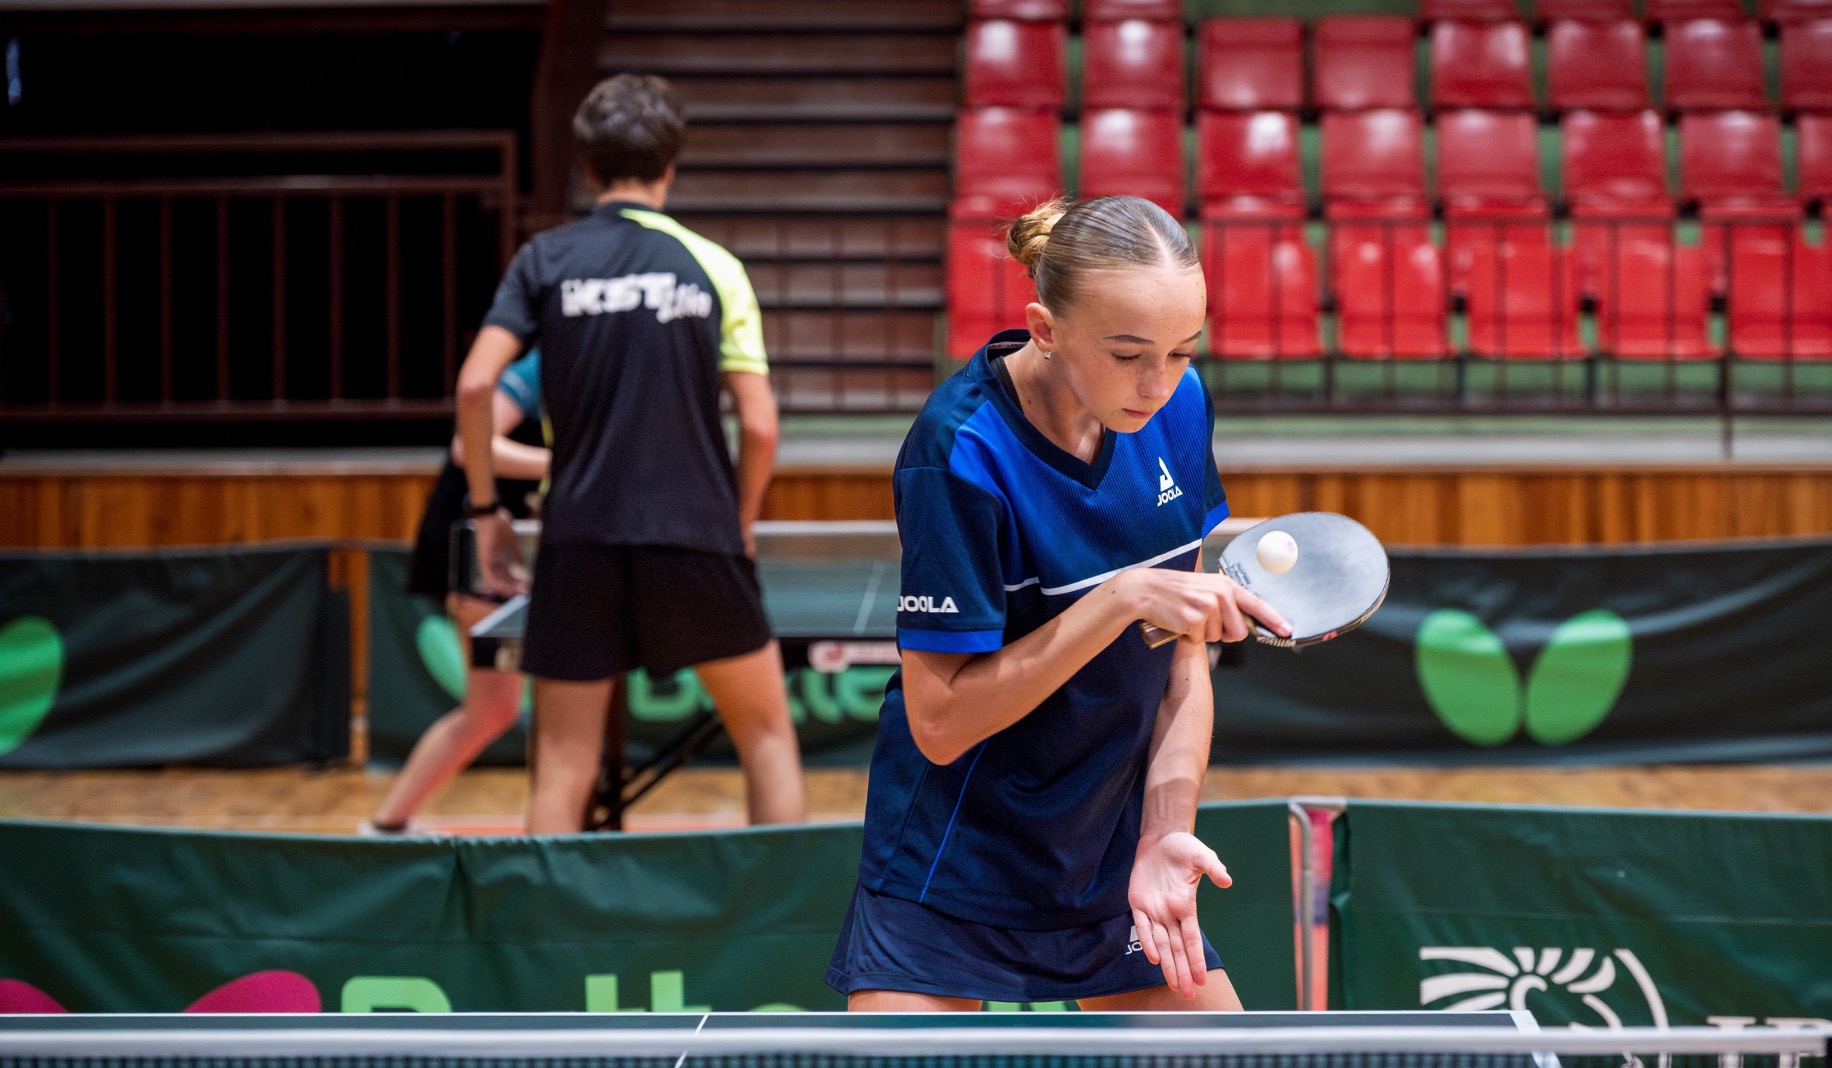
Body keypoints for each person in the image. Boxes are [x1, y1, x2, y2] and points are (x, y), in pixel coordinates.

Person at [828, 196, 1287, 1014]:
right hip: (953, 865)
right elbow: (939, 723)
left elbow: (1182, 660)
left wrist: (1164, 829)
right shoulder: (962, 450)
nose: (1158, 384)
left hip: (1110, 851)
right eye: (1128, 354)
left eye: (1182, 351)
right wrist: (1117, 600)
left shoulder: (1179, 407)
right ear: (1044, 329)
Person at [454, 73, 804, 834]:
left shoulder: (545, 259)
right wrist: (740, 521)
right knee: (767, 739)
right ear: (670, 166)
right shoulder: (713, 265)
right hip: (696, 532)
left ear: (587, 166)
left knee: (563, 763)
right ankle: (786, 913)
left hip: (578, 536)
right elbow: (760, 426)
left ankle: (549, 914)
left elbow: (476, 385)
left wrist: (485, 512)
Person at [363, 350, 550, 836]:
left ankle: (387, 825)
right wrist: (566, 464)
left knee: (493, 711)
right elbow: (471, 446)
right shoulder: (538, 367)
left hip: (509, 546)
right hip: (473, 543)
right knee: (542, 704)